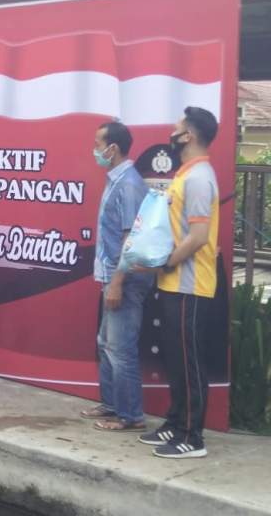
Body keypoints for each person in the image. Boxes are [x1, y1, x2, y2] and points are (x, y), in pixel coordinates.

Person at [137, 107, 220, 459]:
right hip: (173, 283)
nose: (172, 131)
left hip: (189, 284)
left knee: (188, 361)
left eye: (178, 128)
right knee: (175, 358)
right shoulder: (186, 174)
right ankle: (175, 421)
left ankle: (192, 436)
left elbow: (199, 236)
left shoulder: (200, 177)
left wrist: (166, 261)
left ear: (190, 136)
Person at [79, 122, 151, 432]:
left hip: (126, 277)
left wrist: (118, 282)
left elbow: (130, 241)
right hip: (111, 273)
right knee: (106, 343)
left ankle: (130, 415)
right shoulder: (116, 180)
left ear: (113, 148)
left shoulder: (130, 185)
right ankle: (111, 404)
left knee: (121, 347)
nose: (95, 150)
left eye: (98, 143)